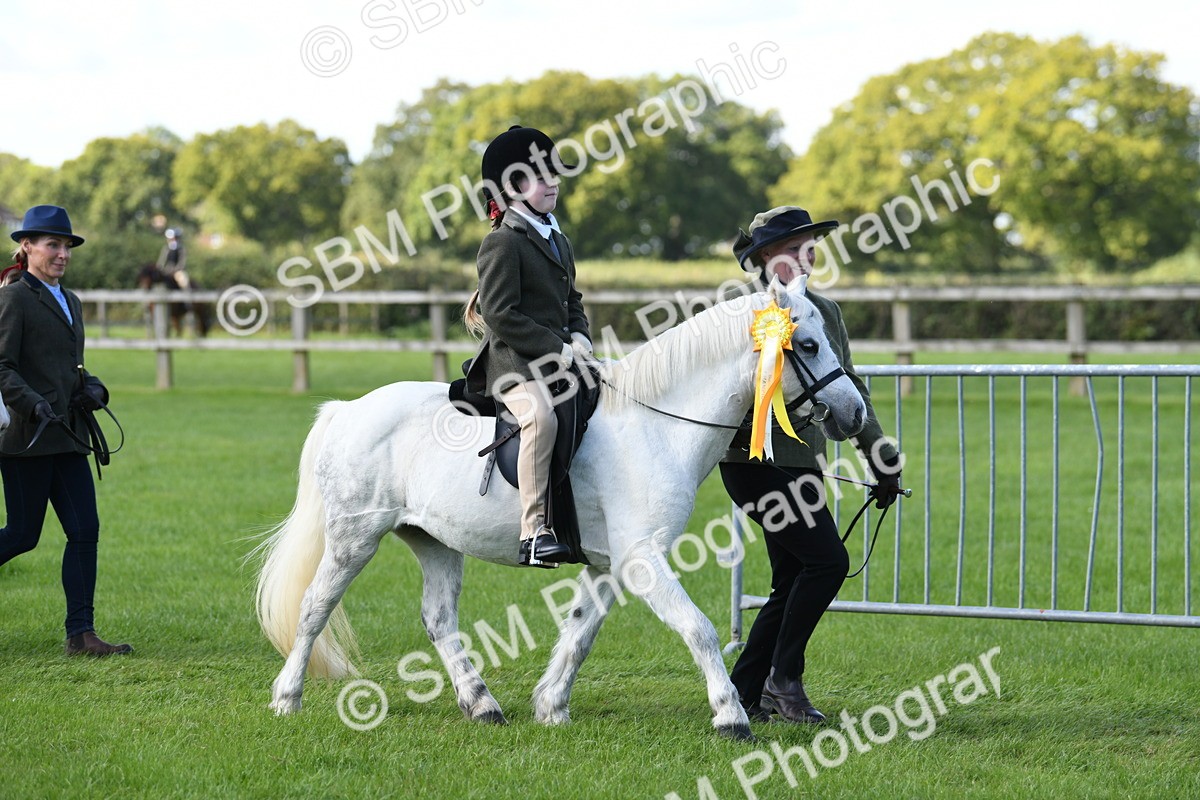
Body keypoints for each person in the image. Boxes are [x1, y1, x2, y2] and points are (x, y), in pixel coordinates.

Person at [722, 206, 901, 722]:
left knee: (793, 577)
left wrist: (881, 456)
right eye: (794, 246)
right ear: (762, 257)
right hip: (752, 461)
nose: (808, 253)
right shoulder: (744, 314)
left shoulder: (824, 312)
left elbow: (849, 386)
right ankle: (784, 681)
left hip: (804, 463)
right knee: (827, 563)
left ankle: (744, 689)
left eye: (811, 243)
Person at [0, 204, 132, 656]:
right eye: (53, 245)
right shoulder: (14, 298)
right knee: (21, 535)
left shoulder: (70, 300)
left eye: (66, 246)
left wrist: (91, 387)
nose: (62, 254)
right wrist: (32, 404)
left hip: (69, 436)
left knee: (84, 531)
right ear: (27, 246)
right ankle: (80, 634)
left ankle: (81, 635)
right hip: (27, 438)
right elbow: (2, 367)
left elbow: (69, 366)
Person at [463, 126, 592, 568]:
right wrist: (558, 346)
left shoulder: (559, 238)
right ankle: (534, 532)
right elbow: (500, 314)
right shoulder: (502, 242)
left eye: (553, 173)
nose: (553, 182)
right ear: (513, 187)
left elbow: (571, 299)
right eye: (540, 176)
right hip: (515, 365)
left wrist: (580, 336)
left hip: (559, 356)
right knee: (540, 418)